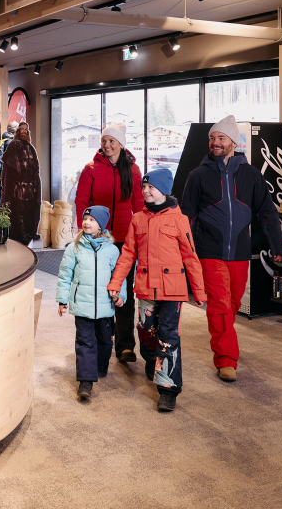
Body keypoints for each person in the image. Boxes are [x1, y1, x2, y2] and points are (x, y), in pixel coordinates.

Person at [180, 115, 282, 382]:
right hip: (210, 250)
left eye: (221, 138)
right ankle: (226, 358)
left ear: (233, 142)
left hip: (240, 250)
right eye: (212, 138)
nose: (215, 143)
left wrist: (278, 246)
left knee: (233, 303)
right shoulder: (198, 176)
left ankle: (225, 339)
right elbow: (186, 218)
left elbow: (268, 213)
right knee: (219, 305)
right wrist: (183, 252)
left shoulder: (251, 175)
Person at [108, 168, 205, 413]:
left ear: (163, 190)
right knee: (146, 333)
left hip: (173, 290)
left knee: (168, 338)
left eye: (151, 187)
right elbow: (128, 254)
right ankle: (152, 362)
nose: (145, 191)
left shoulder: (179, 218)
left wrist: (199, 291)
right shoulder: (137, 219)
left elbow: (191, 257)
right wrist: (115, 283)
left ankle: (168, 389)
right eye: (144, 187)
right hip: (145, 289)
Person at [74, 124, 144, 363]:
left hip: (124, 240)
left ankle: (125, 345)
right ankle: (103, 337)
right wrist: (84, 230)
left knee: (123, 292)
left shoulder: (133, 170)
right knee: (99, 290)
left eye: (112, 141)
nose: (107, 145)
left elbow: (139, 205)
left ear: (121, 144)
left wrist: (143, 236)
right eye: (104, 141)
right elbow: (81, 200)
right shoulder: (91, 169)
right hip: (99, 240)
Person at [55, 205, 126, 402]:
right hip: (82, 306)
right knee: (85, 342)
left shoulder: (112, 250)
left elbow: (120, 277)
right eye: (85, 218)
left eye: (92, 219)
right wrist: (62, 299)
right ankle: (85, 380)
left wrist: (121, 296)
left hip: (105, 307)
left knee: (104, 340)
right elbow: (64, 275)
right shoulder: (74, 248)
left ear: (101, 225)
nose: (86, 222)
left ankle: (101, 365)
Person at [0, 122, 41, 245]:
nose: (24, 132)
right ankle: (21, 234)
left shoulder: (30, 147)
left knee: (29, 210)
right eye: (21, 129)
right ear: (18, 131)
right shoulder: (13, 146)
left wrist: (34, 184)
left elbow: (35, 169)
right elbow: (10, 167)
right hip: (17, 186)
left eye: (26, 130)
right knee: (19, 211)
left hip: (29, 186)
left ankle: (29, 232)